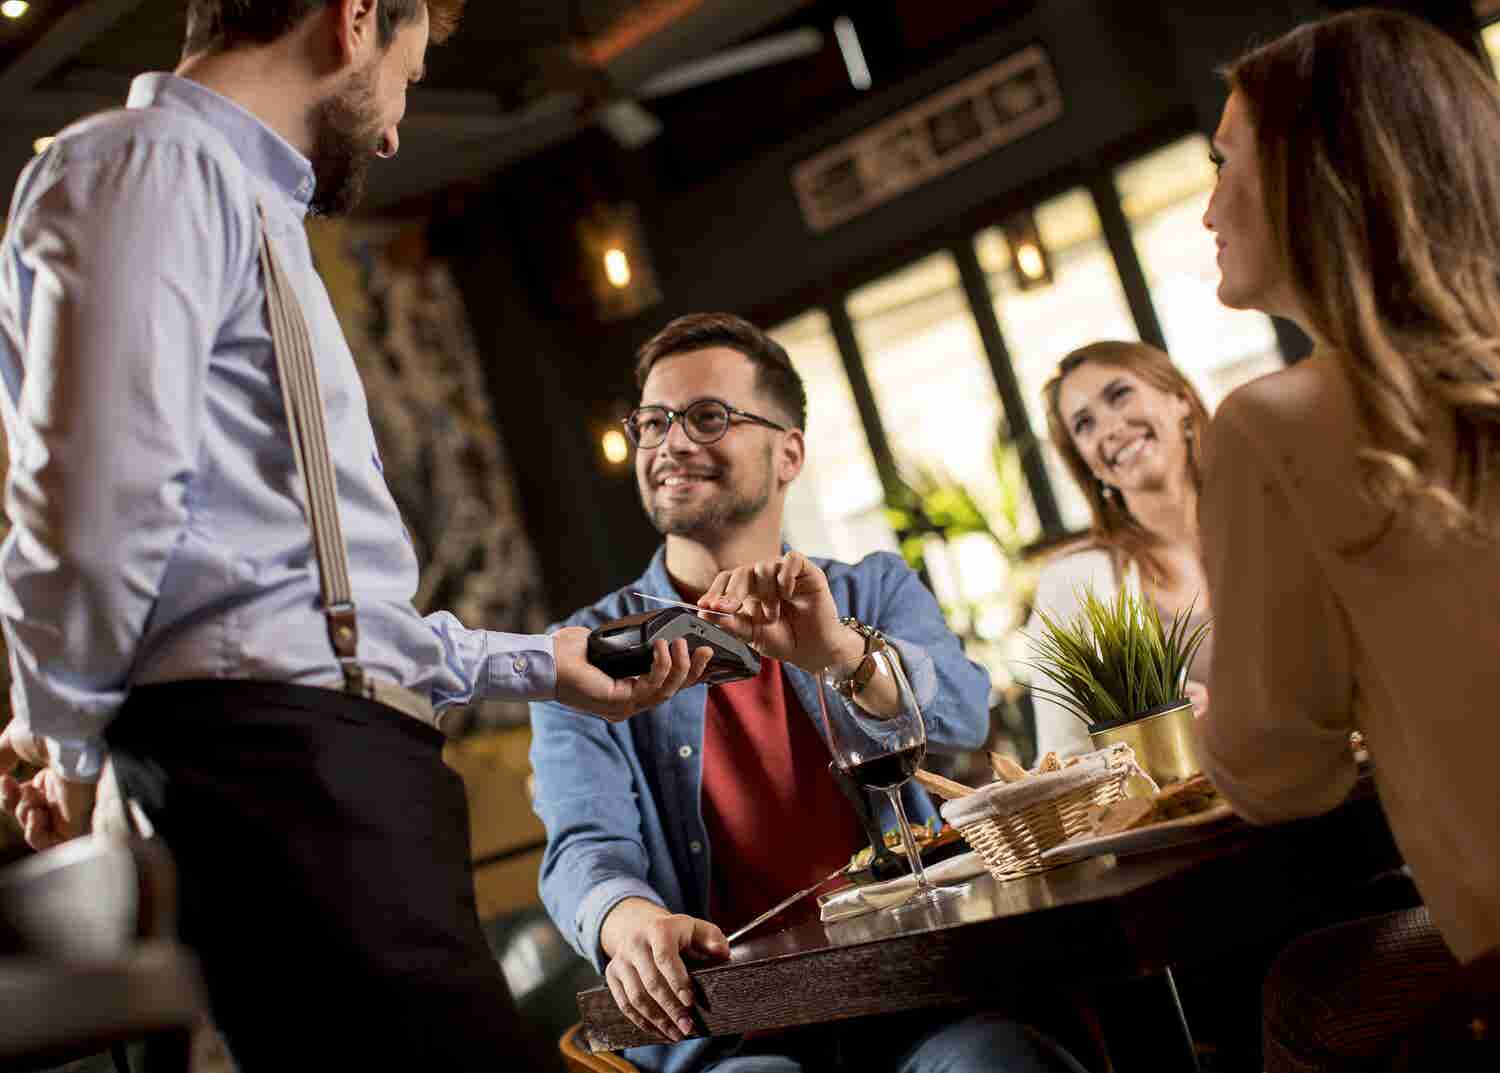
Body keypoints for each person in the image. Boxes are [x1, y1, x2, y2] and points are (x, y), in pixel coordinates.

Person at [0, 3, 712, 1069]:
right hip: (275, 779)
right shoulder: (153, 167)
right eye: (407, 79)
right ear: (353, 18)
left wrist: (539, 664)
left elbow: (314, 611)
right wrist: (66, 745)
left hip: (332, 768)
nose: (391, 131)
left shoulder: (245, 207)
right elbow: (89, 526)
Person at [529, 313, 1088, 1073]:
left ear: (788, 451)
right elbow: (583, 846)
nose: (671, 444)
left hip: (924, 999)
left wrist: (839, 651)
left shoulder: (872, 588)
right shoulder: (588, 650)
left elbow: (961, 716)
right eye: (654, 422)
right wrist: (627, 921)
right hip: (734, 1037)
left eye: (707, 417)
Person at [1198, 9, 1500, 1069]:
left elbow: (1278, 776)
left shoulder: (1275, 426)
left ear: (1306, 176)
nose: (1205, 209)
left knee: (1308, 997)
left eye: (1222, 161)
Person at [1027, 341, 1213, 757]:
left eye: (1119, 395)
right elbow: (1060, 761)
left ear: (1180, 399)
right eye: (1084, 424)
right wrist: (1142, 738)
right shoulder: (1074, 584)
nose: (1109, 429)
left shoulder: (1271, 520)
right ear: (1088, 464)